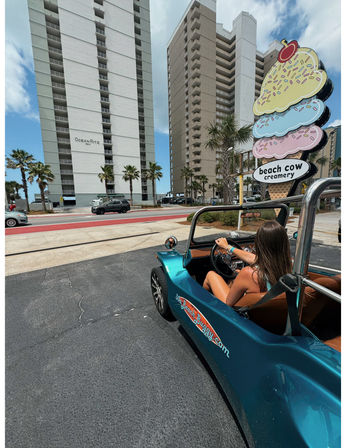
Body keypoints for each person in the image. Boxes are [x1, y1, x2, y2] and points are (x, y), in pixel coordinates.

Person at [203, 220, 292, 307]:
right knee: (236, 273)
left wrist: (242, 274)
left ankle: (202, 307)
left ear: (259, 244)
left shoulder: (249, 273)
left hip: (239, 315)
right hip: (271, 314)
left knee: (211, 275)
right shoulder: (289, 266)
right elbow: (254, 258)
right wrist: (228, 247)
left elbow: (228, 303)